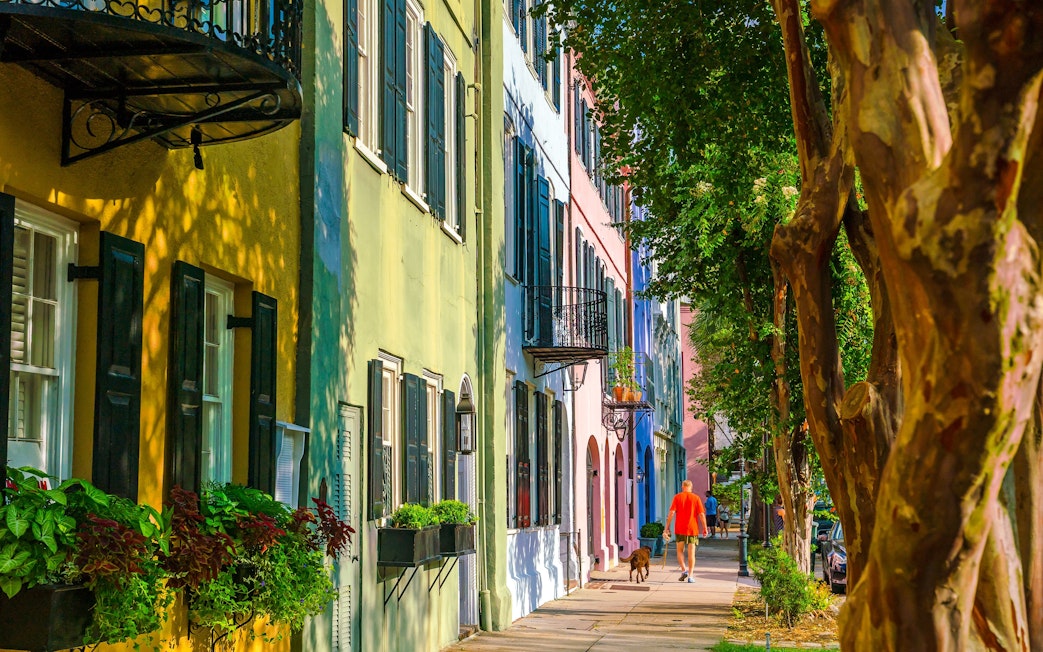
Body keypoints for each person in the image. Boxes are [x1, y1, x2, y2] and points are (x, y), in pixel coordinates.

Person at [664, 480, 709, 583]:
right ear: (691, 487)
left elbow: (671, 513)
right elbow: (701, 514)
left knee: (680, 551)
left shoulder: (677, 497)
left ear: (682, 486)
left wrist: (667, 527)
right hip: (692, 529)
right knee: (691, 553)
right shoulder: (696, 498)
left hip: (680, 528)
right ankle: (691, 575)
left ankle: (684, 570)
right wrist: (705, 527)